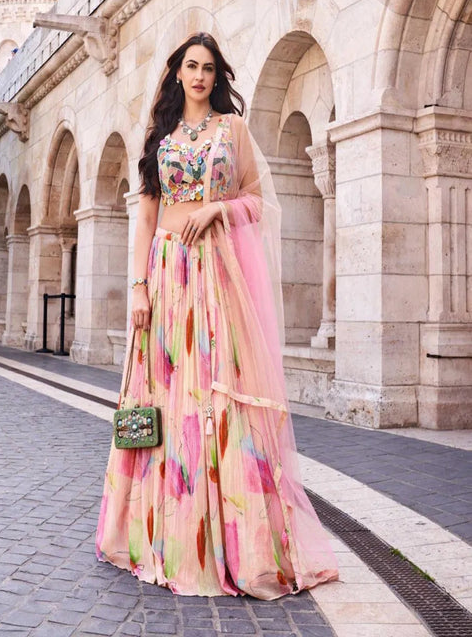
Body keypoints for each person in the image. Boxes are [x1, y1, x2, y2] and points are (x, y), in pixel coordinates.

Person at [96, 32, 338, 599]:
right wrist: (138, 289)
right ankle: (162, 533)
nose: (201, 75)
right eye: (192, 66)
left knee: (217, 393)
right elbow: (146, 219)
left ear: (216, 75)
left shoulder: (233, 130)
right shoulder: (159, 137)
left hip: (216, 276)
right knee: (165, 396)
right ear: (177, 73)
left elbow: (258, 201)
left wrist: (216, 210)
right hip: (165, 276)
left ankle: (228, 542)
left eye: (209, 67)